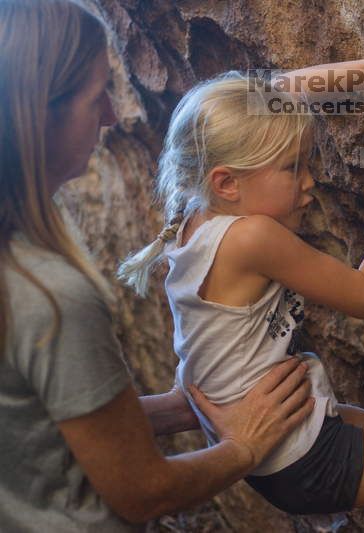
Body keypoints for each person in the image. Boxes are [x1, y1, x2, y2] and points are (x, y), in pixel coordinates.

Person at [117, 69, 364, 532]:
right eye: (294, 167)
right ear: (227, 182)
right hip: (300, 450)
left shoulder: (196, 221)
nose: (311, 181)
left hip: (287, 444)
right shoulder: (250, 237)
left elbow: (273, 92)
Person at [0, 0, 323, 530]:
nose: (110, 114)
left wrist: (184, 405)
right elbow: (144, 492)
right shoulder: (50, 295)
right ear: (38, 115)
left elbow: (35, 421)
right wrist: (244, 445)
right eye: (94, 95)